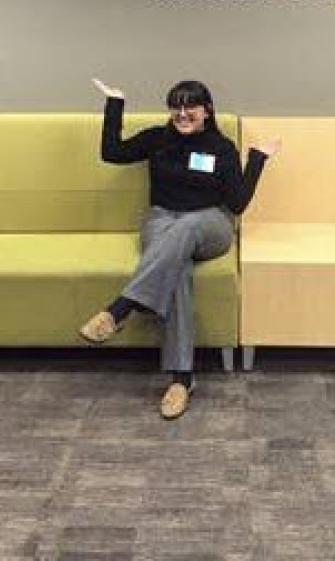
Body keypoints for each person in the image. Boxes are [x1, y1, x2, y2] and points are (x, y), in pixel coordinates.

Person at [79, 78, 280, 419]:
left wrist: (257, 160)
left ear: (206, 111)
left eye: (191, 107)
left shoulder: (221, 147)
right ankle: (181, 379)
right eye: (176, 106)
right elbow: (111, 153)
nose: (183, 113)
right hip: (161, 220)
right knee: (178, 271)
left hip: (210, 223)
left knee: (187, 226)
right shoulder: (157, 139)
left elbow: (237, 202)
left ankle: (120, 309)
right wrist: (116, 104)